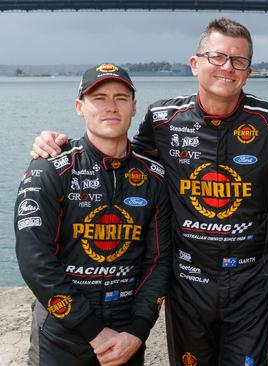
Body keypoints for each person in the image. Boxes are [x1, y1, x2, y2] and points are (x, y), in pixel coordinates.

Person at [31, 18, 268, 366]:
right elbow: (121, 157)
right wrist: (60, 144)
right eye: (217, 57)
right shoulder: (162, 120)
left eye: (239, 61)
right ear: (195, 63)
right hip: (186, 286)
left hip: (252, 287)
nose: (227, 68)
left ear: (248, 70)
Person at [15, 63, 171, 366]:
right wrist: (94, 331)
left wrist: (138, 331)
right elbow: (35, 262)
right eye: (99, 98)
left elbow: (159, 261)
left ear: (134, 107)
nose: (111, 107)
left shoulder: (155, 177)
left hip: (126, 334)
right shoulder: (49, 169)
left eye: (121, 98)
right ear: (79, 107)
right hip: (62, 337)